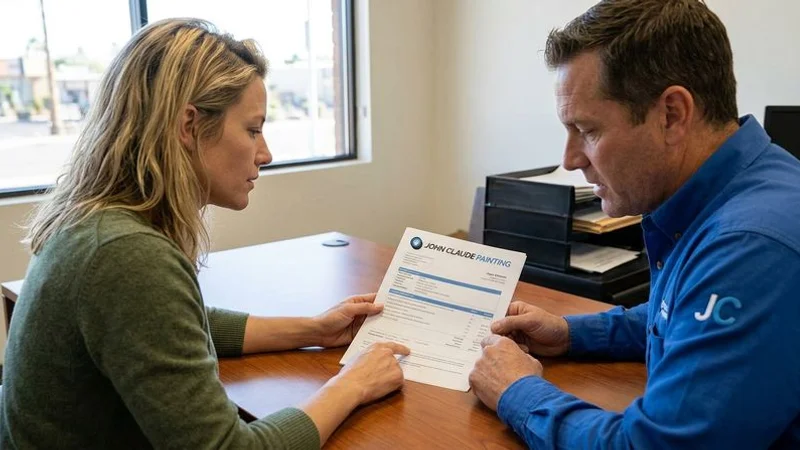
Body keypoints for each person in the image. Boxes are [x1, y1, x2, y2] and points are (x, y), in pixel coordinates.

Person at [0, 18, 409, 449]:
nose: (265, 153)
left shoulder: (98, 222)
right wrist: (353, 384)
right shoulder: (126, 255)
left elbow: (175, 324)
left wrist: (314, 330)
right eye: (252, 130)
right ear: (189, 126)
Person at [469, 1, 800, 448]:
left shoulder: (750, 245)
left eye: (586, 130)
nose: (569, 160)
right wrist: (571, 334)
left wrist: (516, 391)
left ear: (672, 115)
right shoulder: (740, 187)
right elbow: (685, 316)